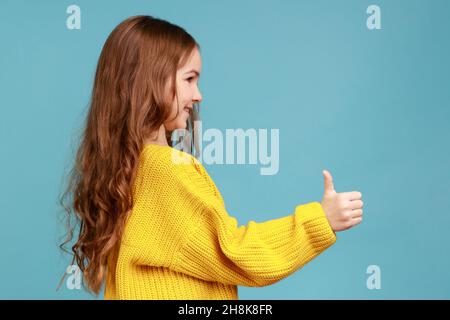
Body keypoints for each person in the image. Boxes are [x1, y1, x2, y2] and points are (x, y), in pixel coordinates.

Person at [58, 15, 364, 300]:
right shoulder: (167, 171)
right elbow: (234, 253)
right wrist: (321, 221)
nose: (198, 94)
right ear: (151, 80)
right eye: (189, 79)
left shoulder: (126, 173)